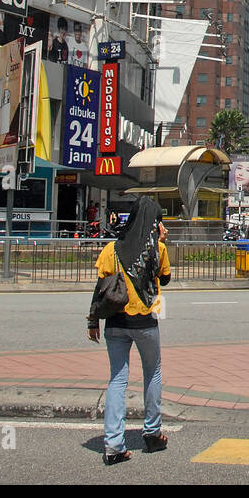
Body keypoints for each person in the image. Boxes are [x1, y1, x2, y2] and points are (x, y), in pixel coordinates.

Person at [87, 197, 171, 464]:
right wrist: (162, 242)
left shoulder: (112, 248)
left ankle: (112, 445)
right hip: (145, 322)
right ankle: (153, 433)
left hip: (115, 323)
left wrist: (92, 321)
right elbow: (165, 279)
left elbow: (101, 287)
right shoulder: (157, 248)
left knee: (117, 379)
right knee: (152, 373)